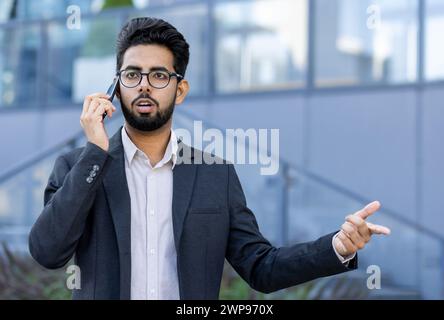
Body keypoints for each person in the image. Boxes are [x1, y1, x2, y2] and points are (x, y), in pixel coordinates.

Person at [29, 17, 391, 300]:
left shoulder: (215, 176)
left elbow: (261, 267)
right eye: (132, 74)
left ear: (180, 89)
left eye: (158, 75)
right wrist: (95, 153)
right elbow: (48, 251)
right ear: (115, 87)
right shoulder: (79, 167)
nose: (143, 85)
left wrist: (337, 247)